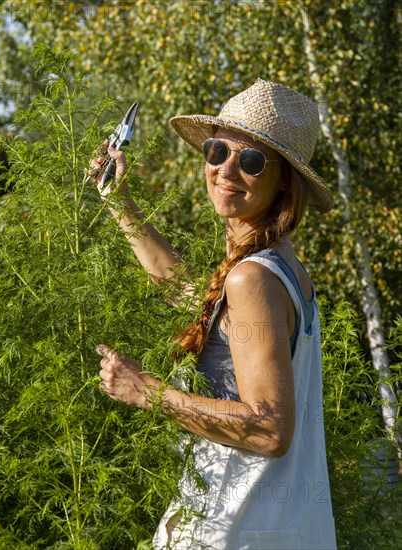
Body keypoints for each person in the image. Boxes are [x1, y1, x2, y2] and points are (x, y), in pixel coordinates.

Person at [93, 78, 337, 549]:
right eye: (217, 150)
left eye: (251, 160)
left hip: (239, 527)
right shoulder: (278, 268)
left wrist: (147, 392)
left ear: (283, 178)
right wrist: (118, 201)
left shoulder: (253, 279)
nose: (227, 169)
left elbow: (269, 429)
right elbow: (195, 301)